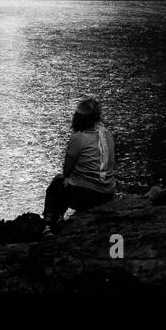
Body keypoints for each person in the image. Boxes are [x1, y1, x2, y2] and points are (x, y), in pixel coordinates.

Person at [43, 98, 116, 231]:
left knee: (57, 185)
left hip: (88, 196)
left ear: (78, 118)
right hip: (107, 193)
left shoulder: (78, 138)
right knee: (67, 184)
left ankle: (48, 225)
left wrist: (68, 178)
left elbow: (67, 171)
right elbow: (110, 165)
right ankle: (58, 218)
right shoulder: (107, 135)